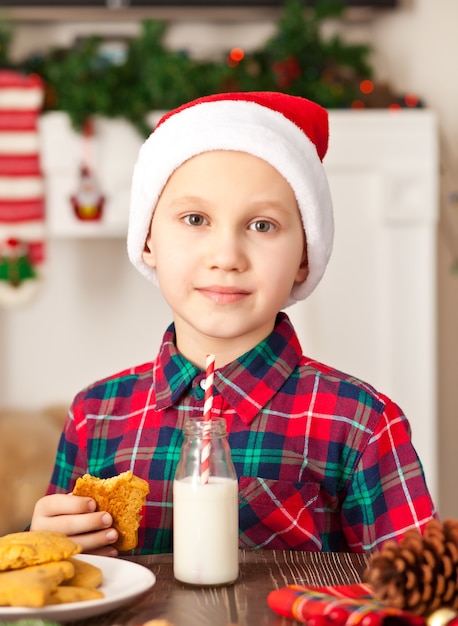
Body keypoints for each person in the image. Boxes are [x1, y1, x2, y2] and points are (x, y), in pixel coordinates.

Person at [31, 91, 436, 556]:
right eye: (195, 218)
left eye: (262, 225)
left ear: (304, 256)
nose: (226, 257)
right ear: (147, 240)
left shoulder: (361, 424)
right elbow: (56, 591)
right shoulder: (94, 416)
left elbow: (420, 594)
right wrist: (50, 542)